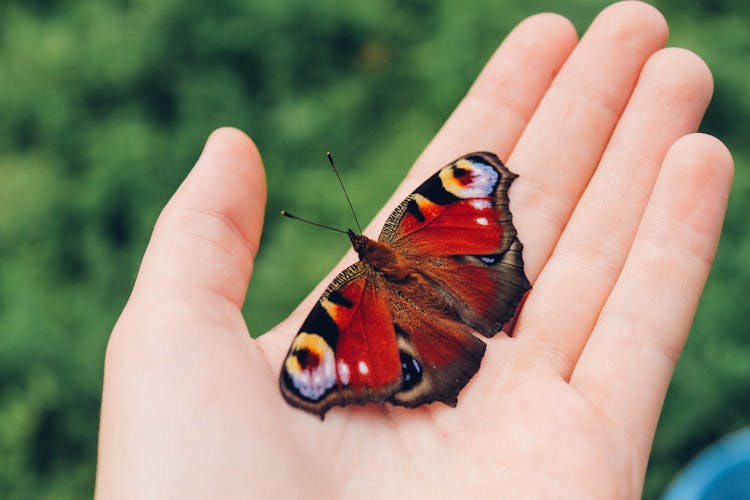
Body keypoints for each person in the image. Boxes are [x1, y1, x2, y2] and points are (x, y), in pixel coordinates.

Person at [95, 2, 733, 497]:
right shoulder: (405, 232)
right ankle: (474, 314)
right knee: (455, 250)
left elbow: (473, 179)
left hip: (439, 333)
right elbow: (315, 365)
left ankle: (461, 332)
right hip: (475, 285)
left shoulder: (345, 300)